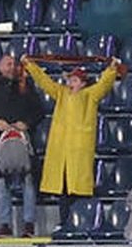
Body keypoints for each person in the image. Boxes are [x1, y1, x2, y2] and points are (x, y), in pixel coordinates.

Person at [22, 54, 120, 228]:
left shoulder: (90, 95)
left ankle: (81, 223)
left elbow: (104, 84)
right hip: (61, 151)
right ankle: (64, 223)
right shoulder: (61, 94)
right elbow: (44, 82)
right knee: (64, 190)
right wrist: (31, 66)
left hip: (79, 151)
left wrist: (112, 69)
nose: (70, 83)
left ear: (82, 83)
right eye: (70, 80)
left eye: (74, 80)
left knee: (79, 190)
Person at [0, 54, 44, 237]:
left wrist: (26, 123)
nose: (11, 67)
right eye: (8, 64)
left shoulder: (25, 86)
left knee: (28, 181)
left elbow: (39, 111)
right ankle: (5, 224)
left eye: (13, 64)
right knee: (2, 182)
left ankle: (29, 224)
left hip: (24, 141)